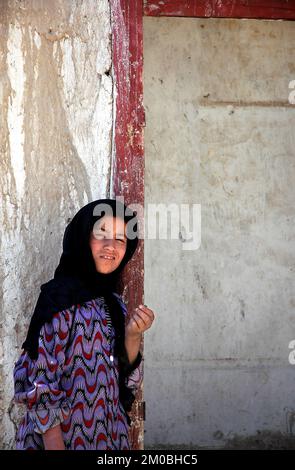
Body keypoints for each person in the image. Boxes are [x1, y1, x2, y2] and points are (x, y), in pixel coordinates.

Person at [13, 198, 155, 450]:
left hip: (108, 439)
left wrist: (132, 335)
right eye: (101, 234)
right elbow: (40, 380)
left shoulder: (113, 304)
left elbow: (124, 380)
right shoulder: (58, 299)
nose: (111, 246)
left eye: (121, 240)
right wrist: (55, 443)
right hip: (60, 441)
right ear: (82, 239)